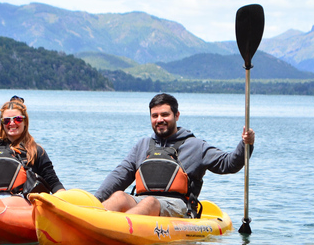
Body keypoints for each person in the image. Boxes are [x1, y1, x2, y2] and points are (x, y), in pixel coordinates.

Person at [95, 93, 254, 218]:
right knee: (119, 197)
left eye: (165, 114)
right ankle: (94, 221)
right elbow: (118, 177)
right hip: (142, 202)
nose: (159, 120)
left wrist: (245, 144)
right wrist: (93, 203)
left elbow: (229, 164)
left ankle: (119, 229)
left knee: (151, 202)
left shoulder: (196, 146)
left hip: (178, 206)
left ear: (176, 115)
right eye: (154, 116)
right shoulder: (142, 145)